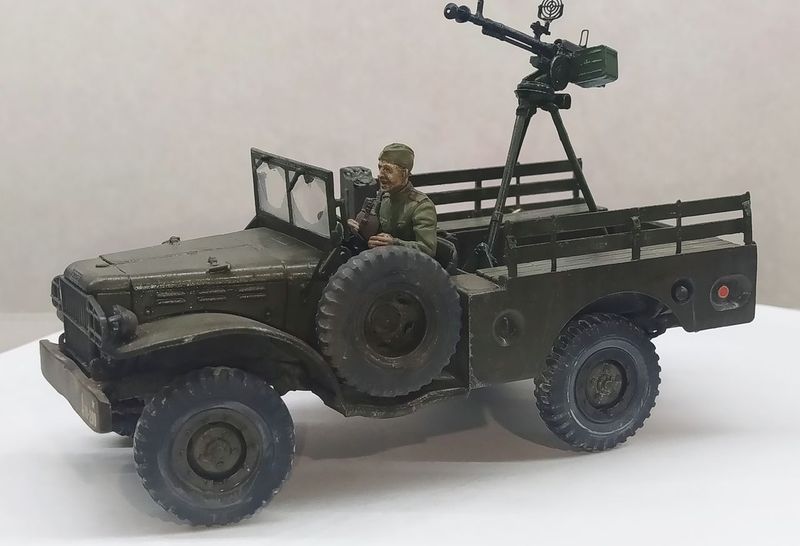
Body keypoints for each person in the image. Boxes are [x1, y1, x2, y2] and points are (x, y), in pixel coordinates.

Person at [347, 143, 437, 257]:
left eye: (388, 170)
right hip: (387, 260)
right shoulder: (384, 198)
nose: (380, 175)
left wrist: (395, 244)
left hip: (410, 264)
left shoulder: (421, 207)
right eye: (380, 168)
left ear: (404, 174)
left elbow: (428, 250)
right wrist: (357, 229)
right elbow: (376, 232)